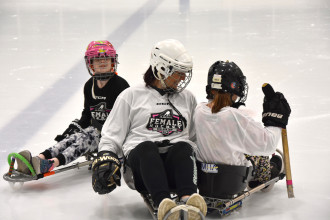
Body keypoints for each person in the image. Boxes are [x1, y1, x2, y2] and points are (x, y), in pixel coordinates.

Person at [91, 39, 207, 220]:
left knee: (184, 147)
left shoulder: (188, 98)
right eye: (179, 73)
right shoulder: (131, 96)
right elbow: (111, 134)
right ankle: (164, 204)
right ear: (162, 69)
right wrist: (106, 156)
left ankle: (188, 201)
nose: (183, 78)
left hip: (176, 168)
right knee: (147, 149)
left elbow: (194, 138)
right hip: (142, 171)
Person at [16, 40, 130, 176]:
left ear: (113, 61)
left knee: (85, 139)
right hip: (96, 130)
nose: (102, 62)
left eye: (106, 58)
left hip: (113, 136)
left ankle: (51, 163)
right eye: (97, 59)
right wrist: (78, 125)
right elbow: (88, 112)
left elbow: (127, 118)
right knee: (71, 138)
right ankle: (38, 159)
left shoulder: (121, 86)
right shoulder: (89, 85)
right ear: (90, 63)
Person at [194, 60, 291, 198]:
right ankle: (265, 174)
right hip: (233, 181)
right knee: (258, 153)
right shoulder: (235, 116)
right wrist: (275, 120)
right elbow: (268, 145)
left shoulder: (198, 110)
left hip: (203, 180)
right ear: (232, 88)